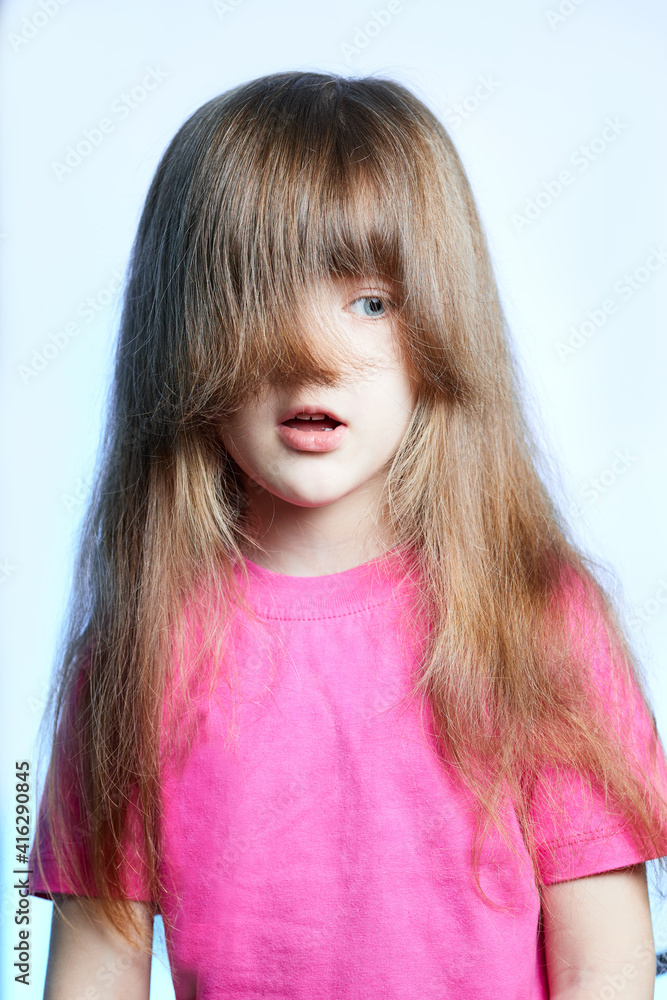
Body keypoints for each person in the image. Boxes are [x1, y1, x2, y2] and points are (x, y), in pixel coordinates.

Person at [29, 70, 667, 999]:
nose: (314, 356)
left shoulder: (533, 620)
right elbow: (94, 970)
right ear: (182, 334)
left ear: (440, 329)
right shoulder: (137, 653)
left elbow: (604, 966)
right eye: (259, 298)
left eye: (369, 303)